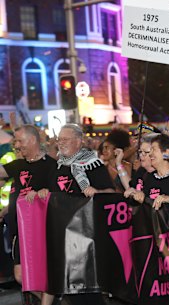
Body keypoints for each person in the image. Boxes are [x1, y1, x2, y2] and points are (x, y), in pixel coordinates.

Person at [36, 124, 115, 305]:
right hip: (62, 237)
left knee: (86, 289)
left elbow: (111, 191)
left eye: (65, 139)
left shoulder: (93, 164)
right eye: (59, 140)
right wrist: (44, 192)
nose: (60, 143)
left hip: (86, 237)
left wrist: (96, 192)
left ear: (78, 142)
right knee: (67, 288)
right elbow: (56, 193)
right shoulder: (58, 166)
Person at [0, 125, 57, 305]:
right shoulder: (18, 165)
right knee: (20, 276)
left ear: (32, 140)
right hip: (21, 231)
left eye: (19, 141)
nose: (17, 145)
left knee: (45, 272)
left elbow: (59, 192)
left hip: (44, 228)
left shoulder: (52, 165)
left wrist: (46, 191)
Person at [127, 134, 169, 217]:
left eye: (153, 150)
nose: (150, 154)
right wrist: (136, 196)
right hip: (154, 228)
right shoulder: (147, 177)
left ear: (166, 153)